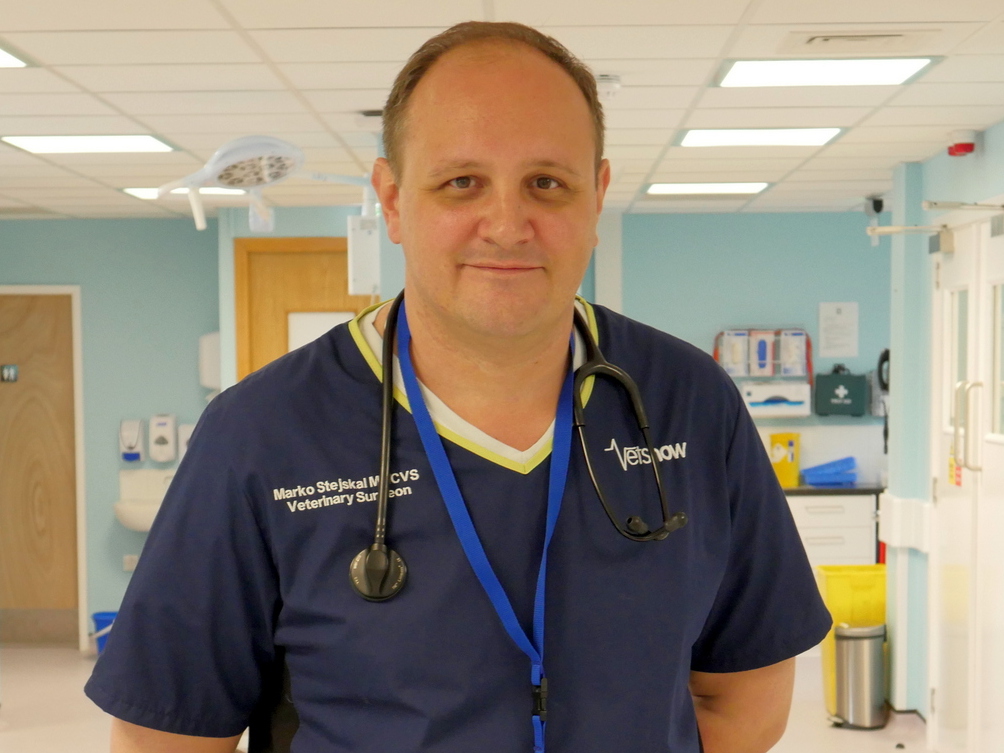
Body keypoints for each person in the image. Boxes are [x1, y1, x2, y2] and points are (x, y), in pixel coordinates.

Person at [86, 21, 831, 753]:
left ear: (596, 195)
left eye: (547, 182)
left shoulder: (690, 402)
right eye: (461, 182)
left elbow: (746, 701)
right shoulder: (260, 434)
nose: (507, 225)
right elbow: (165, 737)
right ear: (393, 199)